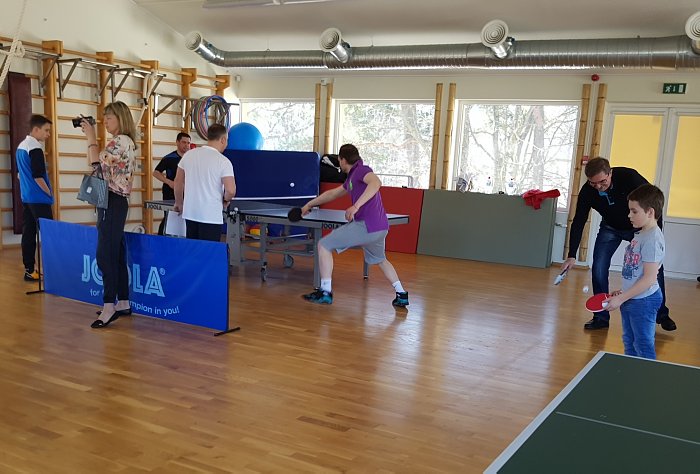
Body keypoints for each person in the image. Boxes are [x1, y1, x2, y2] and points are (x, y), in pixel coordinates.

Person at [561, 157, 676, 331]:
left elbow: (653, 200)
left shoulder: (629, 177)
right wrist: (571, 255)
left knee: (653, 268)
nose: (598, 186)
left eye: (602, 181)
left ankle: (662, 314)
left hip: (637, 228)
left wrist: (654, 232)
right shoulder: (587, 191)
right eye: (593, 183)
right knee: (598, 267)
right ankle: (600, 316)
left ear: (610, 173)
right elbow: (579, 220)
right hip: (609, 228)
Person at [300, 144, 409, 308]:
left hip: (366, 225)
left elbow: (376, 182)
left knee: (323, 245)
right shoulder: (352, 177)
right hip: (380, 228)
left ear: (342, 160)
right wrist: (309, 204)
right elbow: (333, 193)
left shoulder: (362, 170)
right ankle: (401, 294)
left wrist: (356, 206)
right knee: (381, 260)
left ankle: (325, 292)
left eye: (339, 161)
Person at [80, 101, 136, 329]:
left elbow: (95, 160)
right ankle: (122, 301)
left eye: (109, 118)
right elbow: (97, 165)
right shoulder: (120, 143)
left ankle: (109, 305)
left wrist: (91, 136)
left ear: (121, 119)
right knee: (116, 252)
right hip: (113, 201)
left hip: (112, 201)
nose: (105, 122)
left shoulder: (121, 141)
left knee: (105, 254)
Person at [603, 184, 666, 359]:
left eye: (634, 211)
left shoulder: (652, 239)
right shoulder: (641, 234)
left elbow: (649, 278)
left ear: (650, 212)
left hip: (644, 301)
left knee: (643, 344)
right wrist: (624, 292)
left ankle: (645, 382)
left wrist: (622, 298)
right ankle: (632, 376)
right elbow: (636, 271)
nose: (629, 215)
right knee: (629, 341)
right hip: (632, 298)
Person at [173, 124, 235, 241]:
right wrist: (226, 200)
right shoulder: (223, 161)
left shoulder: (188, 155)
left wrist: (179, 203)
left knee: (193, 251)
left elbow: (178, 182)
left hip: (190, 213)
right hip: (210, 215)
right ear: (223, 139)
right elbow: (231, 190)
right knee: (208, 254)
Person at [16, 114, 53, 281]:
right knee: (50, 235)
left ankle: (30, 270)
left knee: (29, 234)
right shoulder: (35, 147)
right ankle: (53, 271)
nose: (48, 134)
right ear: (36, 130)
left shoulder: (21, 146)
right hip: (39, 199)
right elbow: (38, 176)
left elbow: (19, 175)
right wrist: (49, 193)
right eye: (46, 130)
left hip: (27, 198)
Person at [153, 132, 191, 235]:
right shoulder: (169, 158)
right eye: (184, 142)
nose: (186, 145)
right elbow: (156, 173)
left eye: (188, 143)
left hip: (187, 193)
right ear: (177, 142)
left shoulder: (192, 158)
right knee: (169, 217)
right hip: (170, 193)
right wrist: (169, 182)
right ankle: (162, 237)